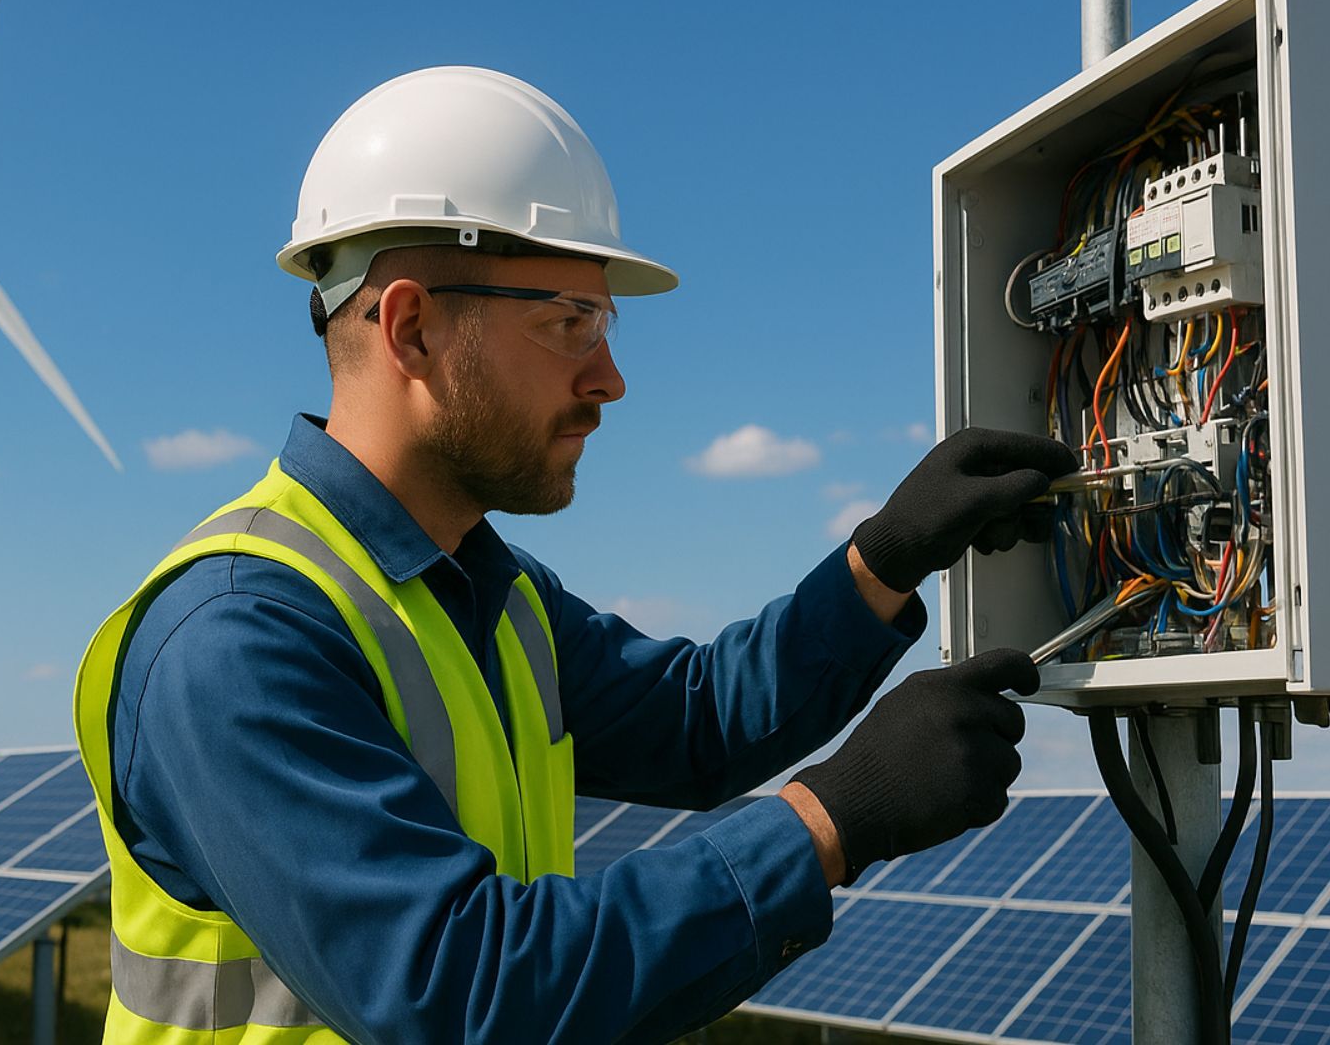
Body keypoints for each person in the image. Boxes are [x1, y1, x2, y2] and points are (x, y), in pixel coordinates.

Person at [73, 66, 1078, 1044]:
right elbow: (465, 994)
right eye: (570, 323)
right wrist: (828, 820)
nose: (610, 378)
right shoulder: (240, 638)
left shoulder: (487, 593)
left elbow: (696, 721)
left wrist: (881, 563)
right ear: (412, 328)